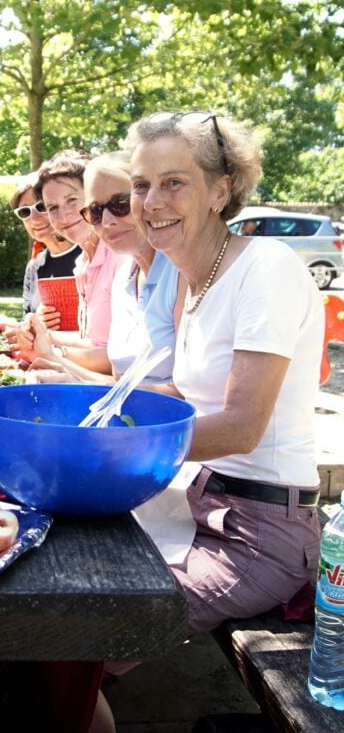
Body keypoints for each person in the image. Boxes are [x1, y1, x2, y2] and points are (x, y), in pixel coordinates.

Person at [125, 110, 323, 635]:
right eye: (141, 185)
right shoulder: (191, 281)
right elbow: (183, 393)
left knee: (95, 631)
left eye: (174, 183)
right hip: (193, 505)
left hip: (259, 535)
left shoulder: (267, 268)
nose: (151, 203)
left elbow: (240, 426)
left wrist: (115, 441)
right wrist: (84, 399)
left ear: (220, 191)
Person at [25, 152, 182, 386]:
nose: (107, 220)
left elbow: (190, 394)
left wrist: (58, 355)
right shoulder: (125, 275)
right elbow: (118, 380)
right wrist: (51, 359)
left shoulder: (180, 273)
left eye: (120, 204)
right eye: (96, 211)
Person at [17, 150, 125, 374]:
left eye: (72, 200)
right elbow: (94, 341)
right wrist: (42, 335)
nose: (63, 215)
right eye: (52, 208)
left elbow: (116, 359)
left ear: (93, 197)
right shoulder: (83, 262)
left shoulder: (120, 257)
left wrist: (54, 353)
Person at [10, 171, 81, 321]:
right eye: (25, 212)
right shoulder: (34, 267)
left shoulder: (88, 255)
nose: (34, 218)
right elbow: (26, 316)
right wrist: (30, 322)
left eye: (41, 207)